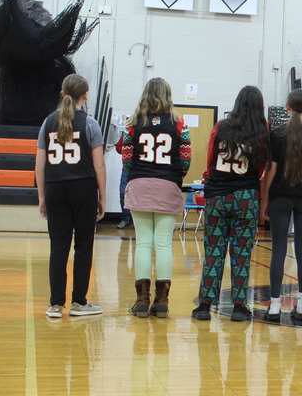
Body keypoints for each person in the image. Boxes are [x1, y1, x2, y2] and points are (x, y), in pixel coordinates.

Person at [193, 86, 269, 322]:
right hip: (246, 198)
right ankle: (238, 307)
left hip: (217, 196)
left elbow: (209, 162)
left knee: (213, 253)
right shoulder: (262, 131)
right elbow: (260, 168)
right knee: (241, 255)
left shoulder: (220, 127)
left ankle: (205, 305)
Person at [34, 74, 105, 318]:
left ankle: (55, 304)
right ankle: (79, 303)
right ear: (85, 96)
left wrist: (42, 196)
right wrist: (102, 197)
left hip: (55, 188)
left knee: (59, 246)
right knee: (83, 245)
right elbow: (99, 166)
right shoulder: (90, 124)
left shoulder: (48, 122)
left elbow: (39, 166)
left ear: (62, 93)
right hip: (83, 188)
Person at [121, 78, 191, 318]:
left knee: (143, 243)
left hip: (139, 183)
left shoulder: (132, 123)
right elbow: (186, 160)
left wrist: (140, 173)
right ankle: (162, 302)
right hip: (167, 185)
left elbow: (127, 160)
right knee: (163, 244)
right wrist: (172, 176)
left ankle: (141, 300)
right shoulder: (180, 123)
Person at [261, 89, 302, 322]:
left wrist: (265, 199)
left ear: (287, 107)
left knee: (278, 249)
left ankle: (276, 306)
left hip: (281, 197)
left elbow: (272, 170)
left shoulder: (277, 134)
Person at [114, 132, 132, 229]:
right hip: (126, 168)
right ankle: (126, 218)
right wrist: (129, 149)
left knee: (140, 194)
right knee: (122, 193)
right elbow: (118, 148)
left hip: (141, 169)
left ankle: (137, 220)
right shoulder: (127, 132)